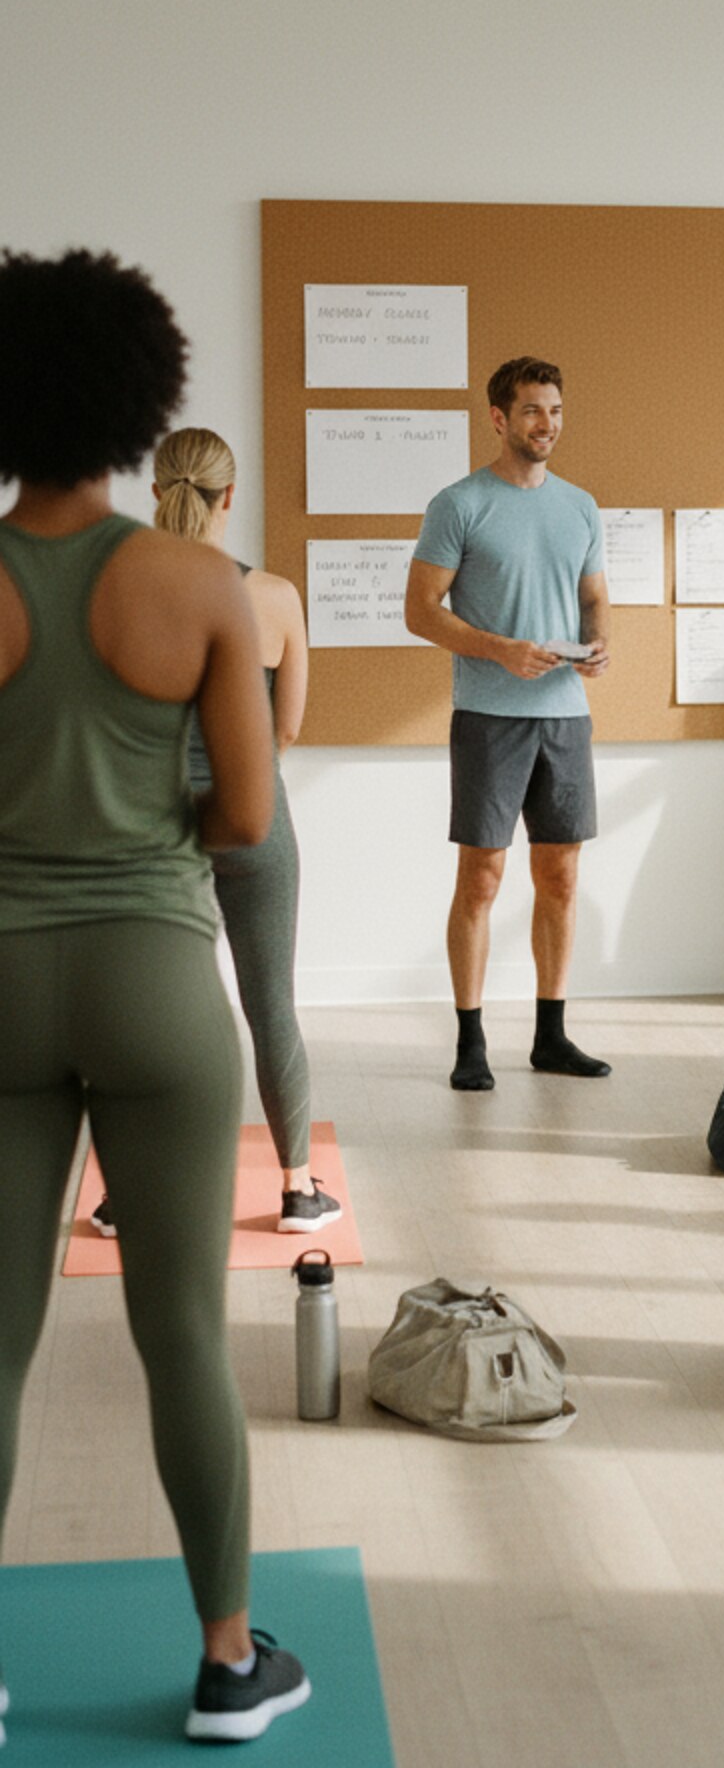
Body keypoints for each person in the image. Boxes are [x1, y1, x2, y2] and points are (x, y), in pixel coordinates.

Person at [0, 248, 309, 1743]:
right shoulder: (199, 584)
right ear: (138, 406)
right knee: (181, 1329)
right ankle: (229, 1663)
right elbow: (246, 819)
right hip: (152, 982)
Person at [89, 428, 340, 1239]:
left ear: (156, 489)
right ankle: (299, 1189)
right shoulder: (274, 597)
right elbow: (288, 730)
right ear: (231, 497)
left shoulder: (116, 590)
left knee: (147, 1009)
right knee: (272, 1007)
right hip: (257, 820)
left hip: (157, 829)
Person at [405, 355, 613, 1092]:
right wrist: (500, 651)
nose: (545, 424)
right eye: (531, 411)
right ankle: (470, 1041)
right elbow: (420, 611)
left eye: (554, 410)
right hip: (489, 716)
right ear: (498, 418)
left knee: (559, 877)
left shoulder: (580, 506)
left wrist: (597, 644)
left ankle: (551, 1036)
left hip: (565, 716)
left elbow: (593, 596)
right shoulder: (458, 504)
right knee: (483, 878)